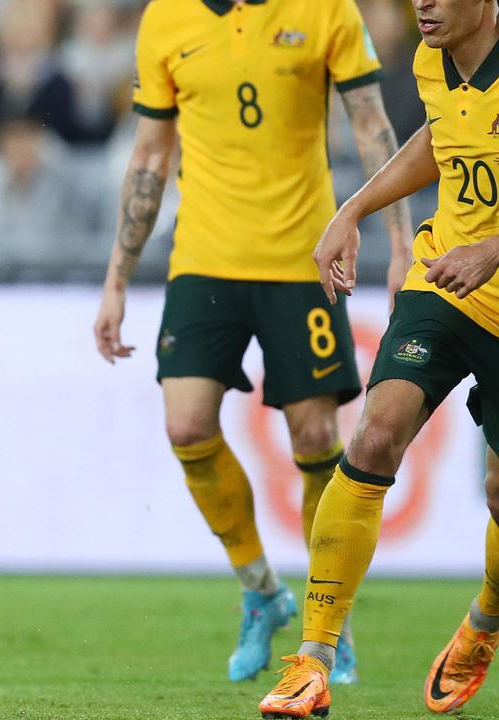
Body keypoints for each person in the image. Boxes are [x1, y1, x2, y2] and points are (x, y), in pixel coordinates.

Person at [93, 0, 414, 684]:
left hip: (302, 260)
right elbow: (150, 156)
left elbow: (370, 122)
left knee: (313, 438)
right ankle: (262, 591)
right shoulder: (167, 19)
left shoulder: (325, 9)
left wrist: (400, 240)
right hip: (204, 259)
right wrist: (117, 279)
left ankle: (331, 625)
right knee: (185, 427)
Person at [260, 1, 499, 716]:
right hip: (446, 280)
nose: (423, 3)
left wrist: (492, 248)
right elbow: (443, 139)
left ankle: (484, 622)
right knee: (373, 432)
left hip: (484, 264)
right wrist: (352, 209)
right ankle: (312, 661)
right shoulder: (433, 60)